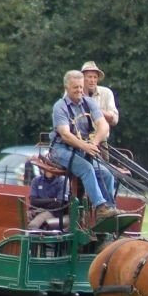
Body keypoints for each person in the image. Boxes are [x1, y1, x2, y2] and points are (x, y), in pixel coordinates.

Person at [48, 70, 118, 220]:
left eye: (81, 87)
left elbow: (103, 126)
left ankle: (110, 209)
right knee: (86, 168)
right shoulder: (59, 107)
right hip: (61, 149)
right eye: (75, 88)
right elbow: (65, 135)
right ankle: (100, 207)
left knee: (107, 173)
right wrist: (85, 147)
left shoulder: (89, 103)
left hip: (82, 148)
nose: (79, 91)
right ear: (66, 88)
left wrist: (94, 143)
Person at [81, 61, 119, 128]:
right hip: (77, 137)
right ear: (82, 78)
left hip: (101, 137)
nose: (92, 80)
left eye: (95, 77)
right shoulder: (73, 92)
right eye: (89, 77)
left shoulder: (106, 92)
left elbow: (114, 119)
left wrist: (96, 111)